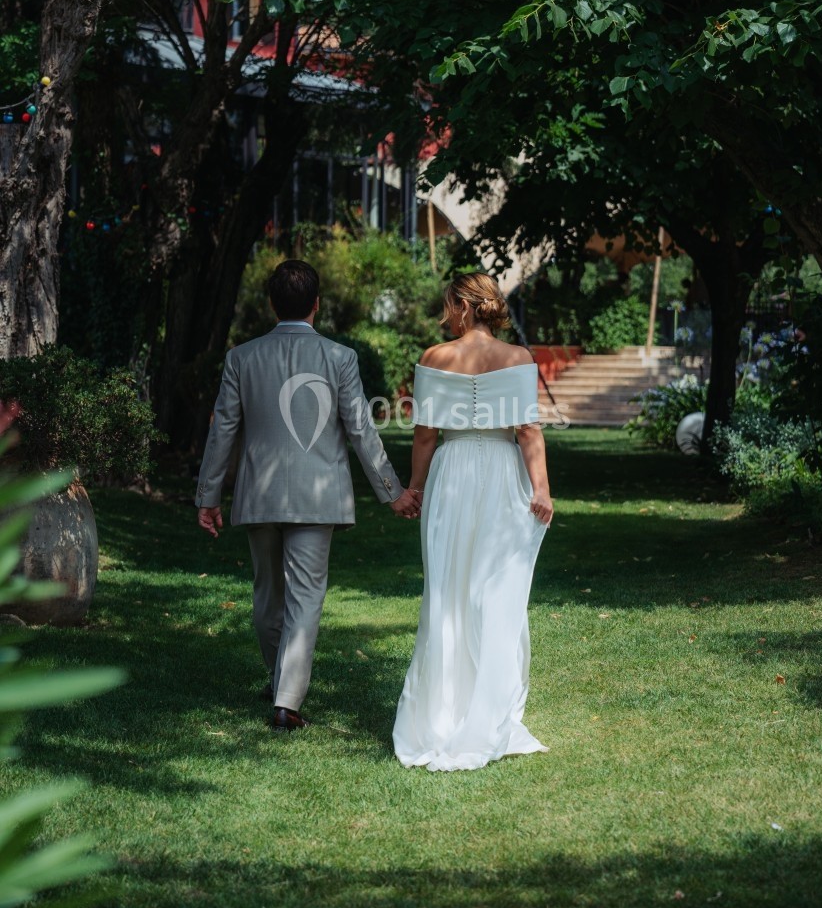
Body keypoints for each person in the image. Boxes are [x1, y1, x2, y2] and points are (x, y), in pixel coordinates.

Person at [194, 259, 420, 732]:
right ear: (317, 304)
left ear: (272, 304)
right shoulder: (340, 358)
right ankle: (287, 699)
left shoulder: (242, 357)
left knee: (267, 595)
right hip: (319, 498)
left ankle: (282, 686)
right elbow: (361, 430)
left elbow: (223, 431)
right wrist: (392, 492)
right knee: (305, 596)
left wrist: (208, 496)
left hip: (259, 493)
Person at [393, 272, 554, 772]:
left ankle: (443, 714)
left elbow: (424, 435)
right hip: (504, 475)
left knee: (448, 590)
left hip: (453, 474)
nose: (445, 313)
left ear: (463, 305)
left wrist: (414, 488)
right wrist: (542, 489)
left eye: (448, 304)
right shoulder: (519, 358)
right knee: (499, 592)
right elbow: (527, 432)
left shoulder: (433, 357)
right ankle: (488, 717)